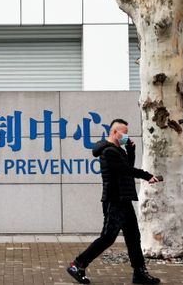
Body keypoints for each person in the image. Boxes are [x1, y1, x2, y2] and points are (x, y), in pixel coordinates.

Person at [66, 119, 161, 285]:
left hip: (124, 200)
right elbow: (125, 170)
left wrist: (130, 150)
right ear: (114, 132)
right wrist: (147, 176)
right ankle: (77, 264)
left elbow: (127, 169)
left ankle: (139, 273)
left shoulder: (119, 150)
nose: (126, 136)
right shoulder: (108, 152)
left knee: (133, 237)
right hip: (114, 201)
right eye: (123, 133)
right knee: (107, 238)